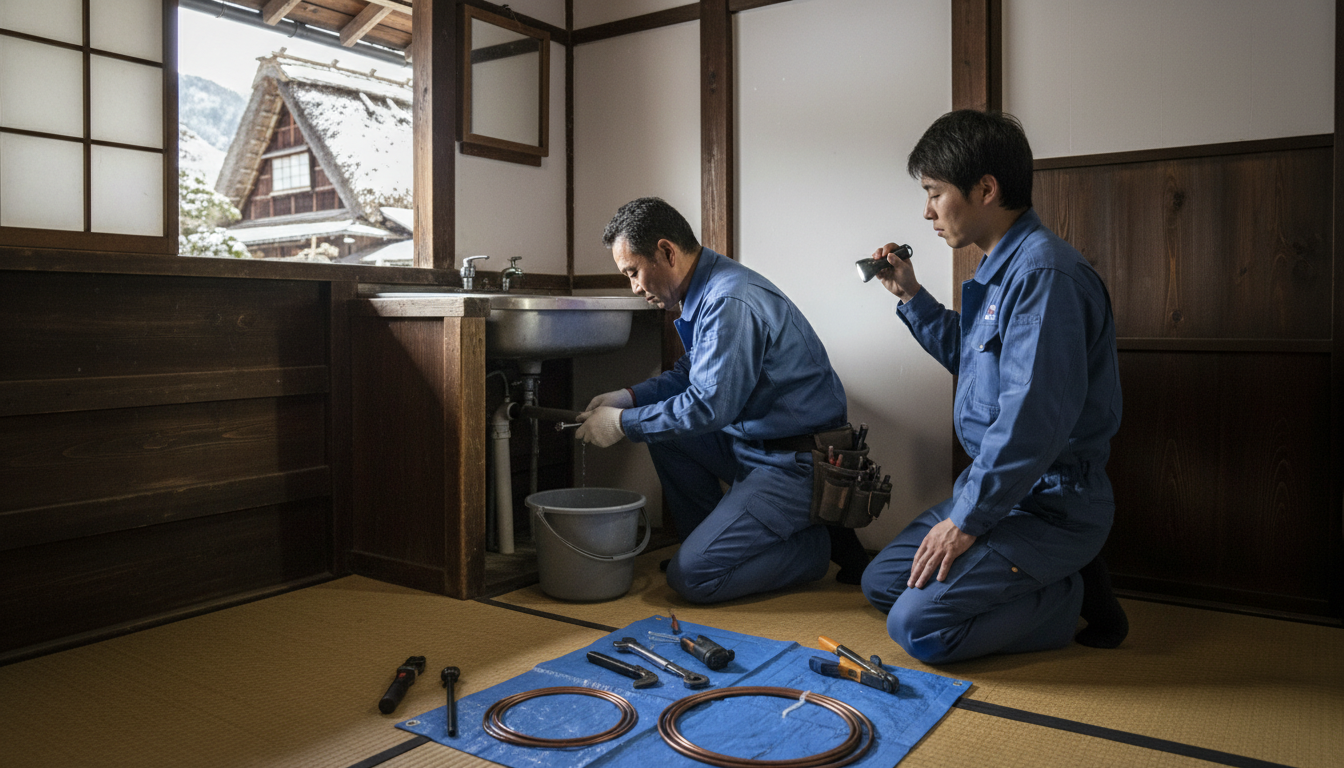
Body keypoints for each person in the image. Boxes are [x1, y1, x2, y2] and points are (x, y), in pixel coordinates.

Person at [860, 110, 1129, 664]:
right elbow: (972, 359)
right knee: (882, 583)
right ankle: (1040, 577)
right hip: (1001, 492)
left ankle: (1069, 594)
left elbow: (1031, 420)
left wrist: (965, 522)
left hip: (1047, 504)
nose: (927, 210)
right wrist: (910, 295)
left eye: (934, 192)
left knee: (917, 628)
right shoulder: (999, 270)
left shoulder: (1044, 276)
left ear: (986, 189)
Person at [575, 197, 869, 603]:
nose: (634, 288)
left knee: (691, 579)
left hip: (794, 464)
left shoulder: (728, 301)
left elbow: (709, 406)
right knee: (665, 436)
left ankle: (814, 549)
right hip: (754, 446)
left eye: (633, 273)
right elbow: (690, 375)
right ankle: (712, 544)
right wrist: (627, 397)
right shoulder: (713, 285)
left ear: (666, 251)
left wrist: (622, 424)